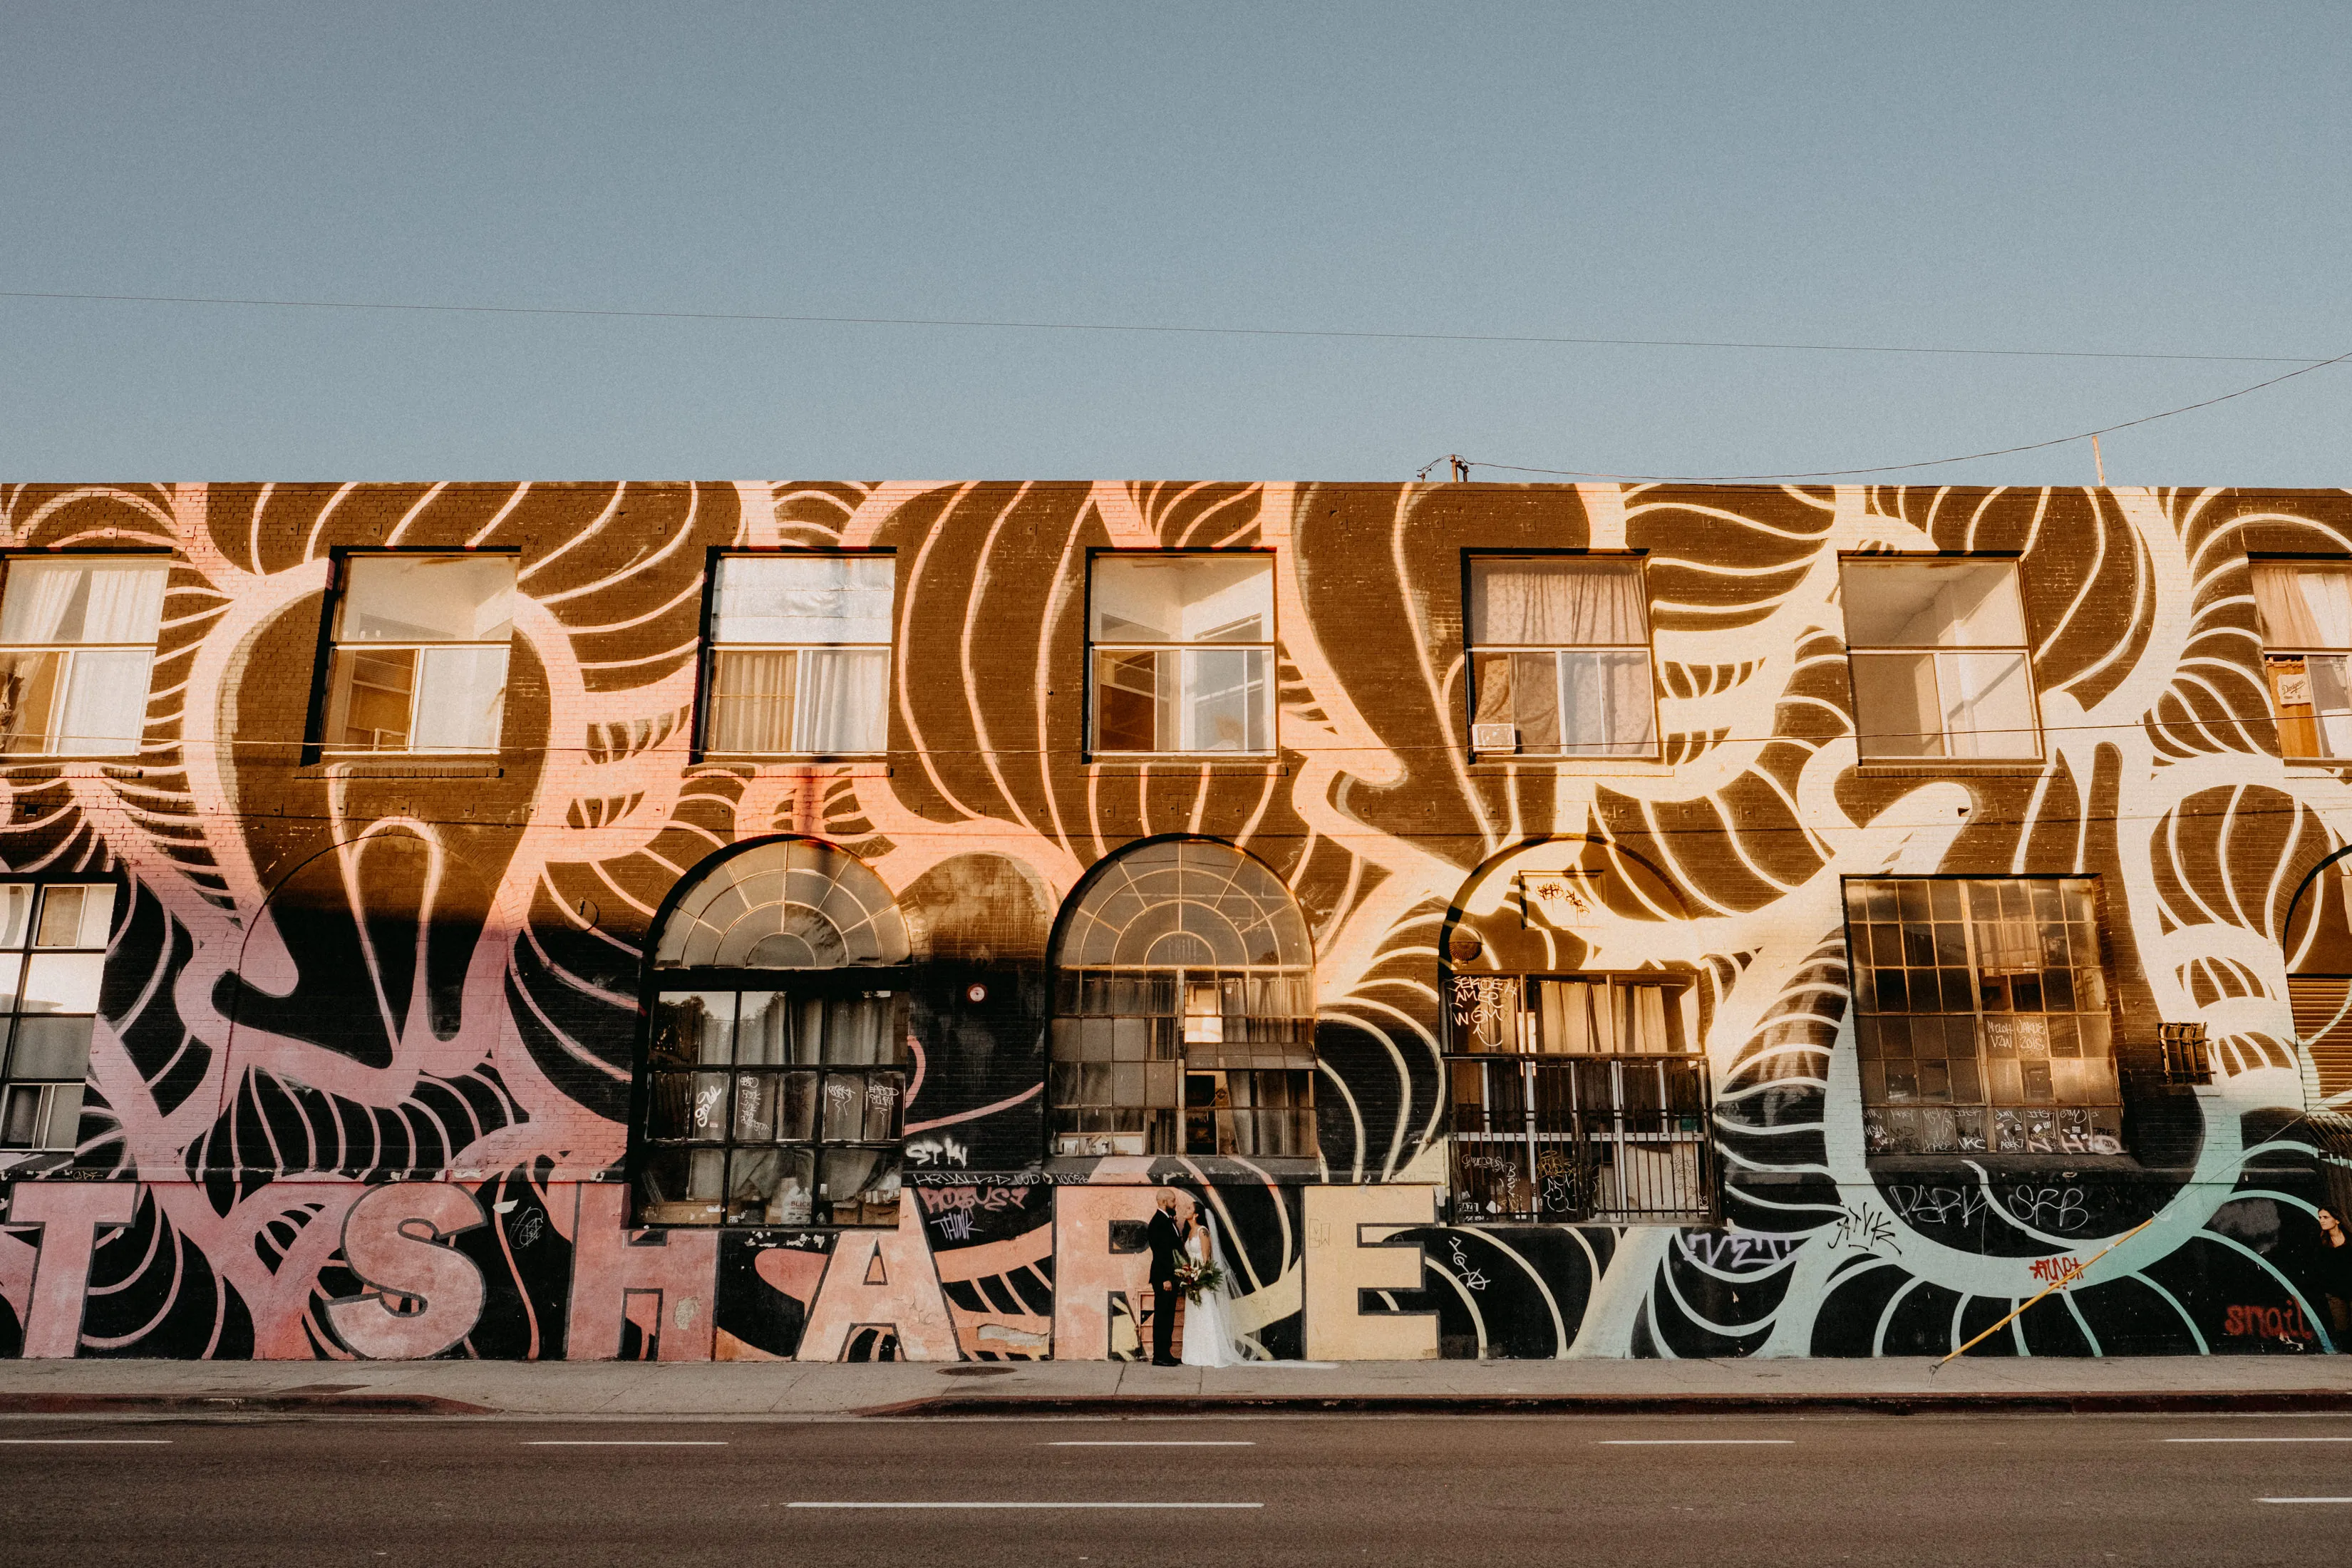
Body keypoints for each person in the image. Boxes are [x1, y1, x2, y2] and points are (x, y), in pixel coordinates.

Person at [1179, 1197, 1244, 1368]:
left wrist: (1199, 1277)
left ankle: (1210, 1354)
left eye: (1189, 1208)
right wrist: (1188, 1275)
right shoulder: (1189, 1232)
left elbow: (1206, 1258)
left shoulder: (1202, 1231)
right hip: (1191, 1278)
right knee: (1193, 1315)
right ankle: (1194, 1354)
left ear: (1196, 1214)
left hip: (1201, 1278)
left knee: (1205, 1312)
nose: (1185, 1210)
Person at [1145, 1190, 1185, 1366]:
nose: (1176, 1204)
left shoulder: (1167, 1220)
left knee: (1168, 1316)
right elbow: (1161, 1254)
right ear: (1163, 1202)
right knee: (1162, 1316)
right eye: (1173, 1201)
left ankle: (1165, 1353)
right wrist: (1166, 1279)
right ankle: (1159, 1355)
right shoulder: (1158, 1223)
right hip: (1164, 1278)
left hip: (1170, 1277)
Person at [2316, 1205, 2352, 1337]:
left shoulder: (2349, 1239)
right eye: (2320, 1218)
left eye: (2326, 1217)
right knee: (2342, 1327)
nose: (2322, 1221)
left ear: (2337, 1220)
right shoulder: (2321, 1243)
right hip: (2335, 1292)